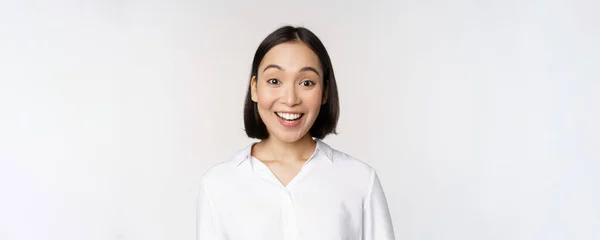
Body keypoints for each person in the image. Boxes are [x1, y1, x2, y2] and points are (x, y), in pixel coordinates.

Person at [196, 25, 395, 240]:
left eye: (306, 82)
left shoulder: (360, 180)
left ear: (325, 92)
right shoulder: (218, 184)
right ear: (254, 88)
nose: (290, 99)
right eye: (274, 81)